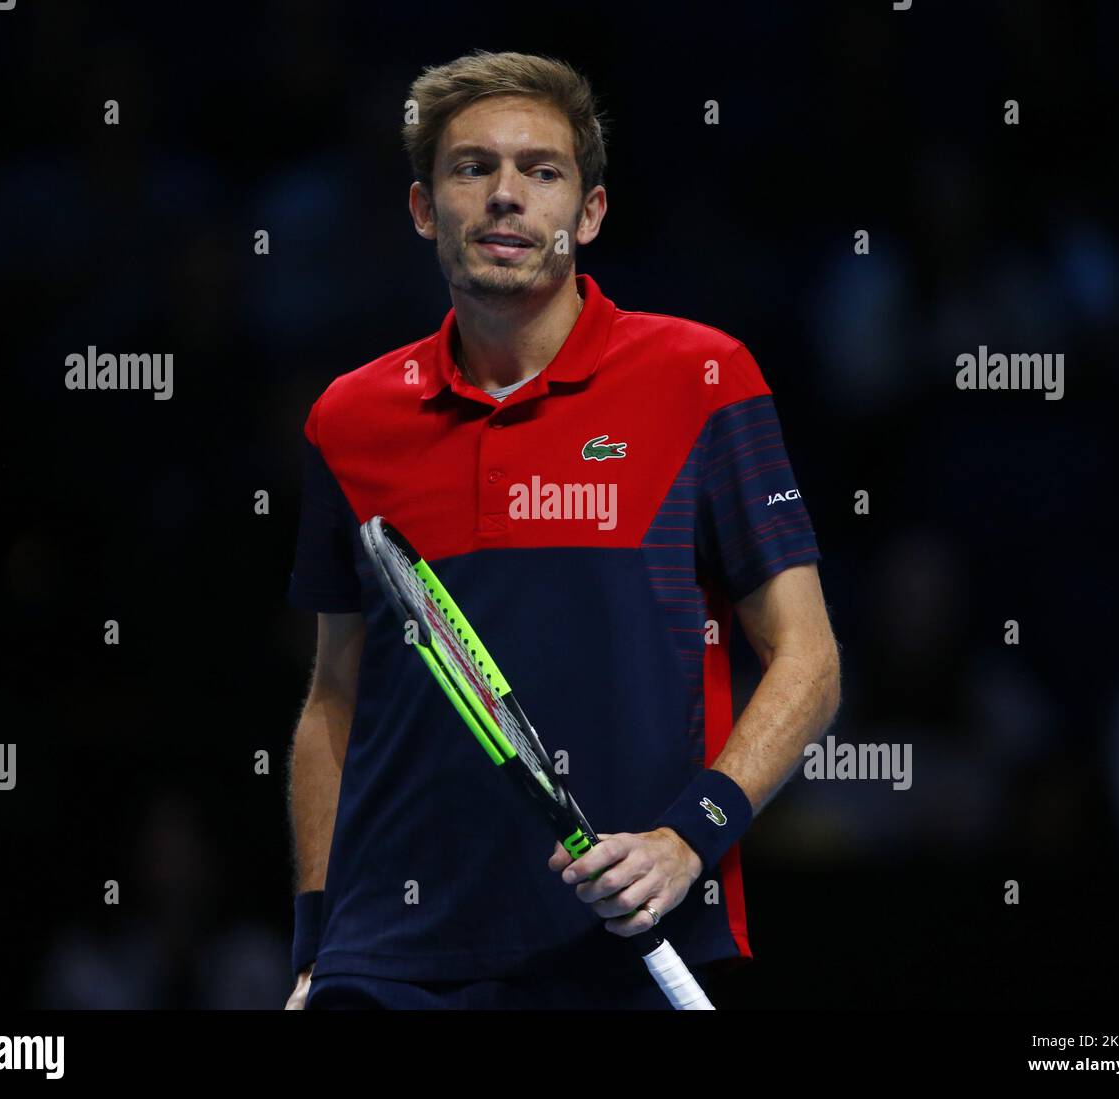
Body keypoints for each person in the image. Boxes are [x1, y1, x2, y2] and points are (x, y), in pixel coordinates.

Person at [283, 50, 840, 1010]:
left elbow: (808, 657)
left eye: (542, 171)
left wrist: (687, 838)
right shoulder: (350, 415)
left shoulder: (702, 378)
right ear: (424, 209)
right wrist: (313, 944)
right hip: (387, 960)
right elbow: (335, 694)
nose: (506, 196)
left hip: (631, 940)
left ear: (588, 213)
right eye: (472, 168)